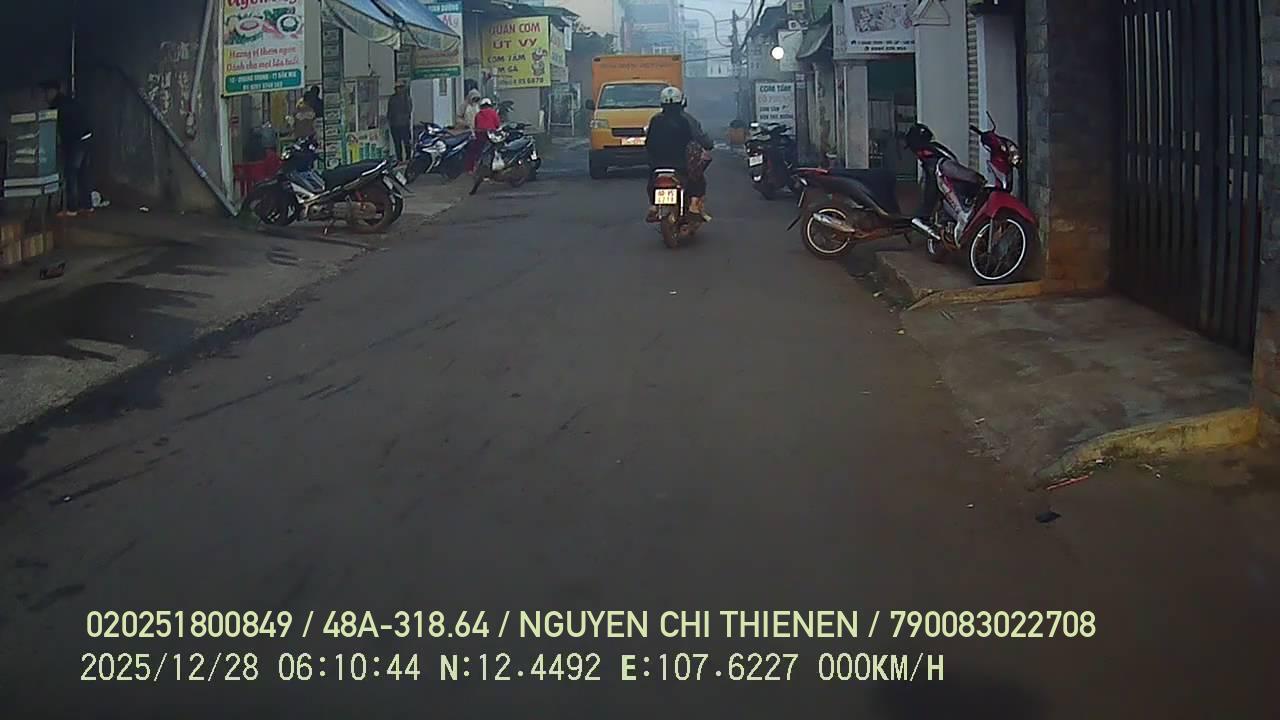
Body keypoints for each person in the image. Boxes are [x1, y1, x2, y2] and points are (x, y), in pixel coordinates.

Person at [644, 86, 713, 221]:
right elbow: (699, 137)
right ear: (682, 102)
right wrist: (708, 144)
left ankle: (653, 206)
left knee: (652, 179)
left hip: (658, 164)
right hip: (682, 163)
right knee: (697, 178)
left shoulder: (655, 120)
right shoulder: (687, 120)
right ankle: (693, 206)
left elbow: (649, 142)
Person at [41, 79, 93, 217]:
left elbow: (56, 128)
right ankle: (87, 205)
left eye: (46, 92)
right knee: (83, 173)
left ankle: (72, 208)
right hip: (86, 136)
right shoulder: (69, 101)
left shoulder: (57, 105)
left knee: (71, 173)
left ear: (53, 91)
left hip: (75, 141)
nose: (45, 96)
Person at [465, 97, 503, 179]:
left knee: (475, 152)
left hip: (480, 136)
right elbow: (498, 125)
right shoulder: (493, 113)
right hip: (491, 136)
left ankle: (471, 169)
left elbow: (476, 126)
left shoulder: (478, 114)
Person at [387, 81, 414, 162]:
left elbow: (409, 110)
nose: (398, 89)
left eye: (400, 87)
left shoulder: (406, 98)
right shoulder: (393, 98)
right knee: (398, 143)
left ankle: (407, 158)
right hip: (395, 124)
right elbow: (389, 111)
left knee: (405, 142)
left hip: (403, 124)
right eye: (397, 88)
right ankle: (400, 159)